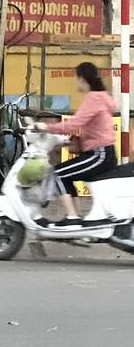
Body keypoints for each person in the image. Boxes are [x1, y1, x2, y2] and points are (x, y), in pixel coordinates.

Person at [41, 62, 117, 227]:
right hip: (103, 153)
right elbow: (87, 127)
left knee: (57, 174)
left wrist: (44, 127)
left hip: (99, 155)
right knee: (65, 176)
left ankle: (73, 217)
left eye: (77, 78)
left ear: (82, 79)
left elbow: (72, 125)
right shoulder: (100, 96)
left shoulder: (93, 98)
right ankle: (76, 217)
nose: (76, 82)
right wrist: (67, 142)